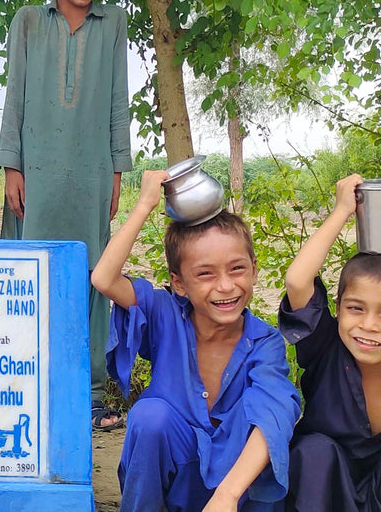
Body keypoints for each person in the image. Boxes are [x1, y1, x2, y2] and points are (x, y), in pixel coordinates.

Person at [91, 170, 300, 511]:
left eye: (237, 269)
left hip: (237, 494)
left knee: (263, 420)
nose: (226, 286)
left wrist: (227, 496)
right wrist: (145, 204)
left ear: (254, 269)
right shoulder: (164, 313)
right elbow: (103, 278)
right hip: (176, 480)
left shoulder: (265, 342)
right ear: (179, 283)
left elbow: (275, 415)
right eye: (206, 274)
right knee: (150, 416)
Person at [0, 0, 132, 429]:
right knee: (26, 274)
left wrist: (118, 168)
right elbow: (14, 97)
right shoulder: (29, 21)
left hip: (92, 171)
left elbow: (119, 99)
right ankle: (18, 384)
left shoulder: (113, 22)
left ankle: (90, 392)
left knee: (93, 275)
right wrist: (11, 165)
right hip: (36, 172)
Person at [279, 172, 381, 511]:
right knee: (313, 451)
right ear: (337, 310)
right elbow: (297, 281)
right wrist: (341, 212)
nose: (368, 325)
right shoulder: (325, 348)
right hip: (323, 493)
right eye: (355, 309)